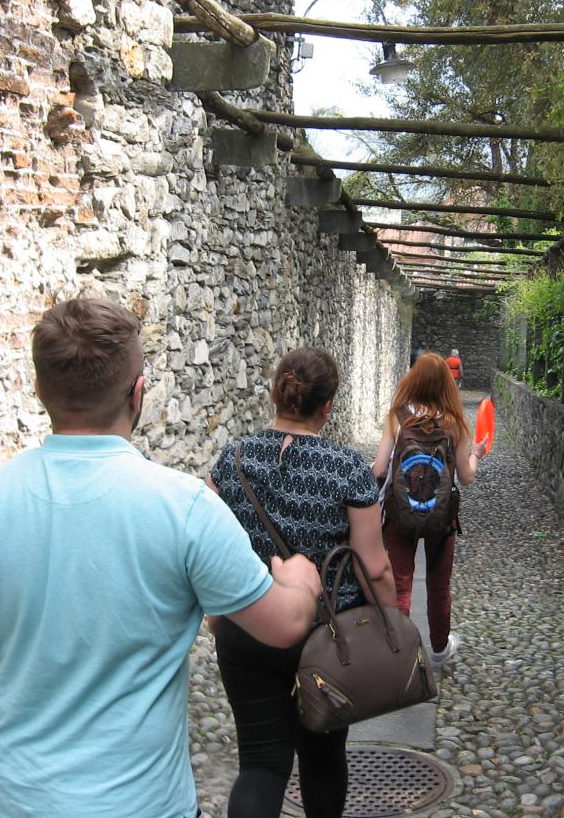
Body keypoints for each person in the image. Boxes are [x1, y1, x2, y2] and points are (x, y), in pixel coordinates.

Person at [0, 298, 321, 818]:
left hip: (21, 798)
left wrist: (10, 607)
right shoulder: (184, 508)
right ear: (138, 393)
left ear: (40, 391)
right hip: (143, 803)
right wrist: (299, 581)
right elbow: (283, 626)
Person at [206, 347, 397, 818]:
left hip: (248, 625)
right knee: (323, 757)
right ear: (328, 405)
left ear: (275, 394)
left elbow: (207, 551)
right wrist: (390, 624)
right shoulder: (348, 468)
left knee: (259, 763)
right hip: (327, 639)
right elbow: (373, 567)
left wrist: (216, 615)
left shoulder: (229, 461)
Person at [373, 352, 487, 671]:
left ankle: (398, 655)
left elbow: (380, 468)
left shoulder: (397, 416)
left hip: (399, 513)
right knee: (438, 585)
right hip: (441, 518)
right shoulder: (454, 422)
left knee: (400, 584)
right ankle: (438, 649)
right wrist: (476, 453)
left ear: (413, 378)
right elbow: (466, 477)